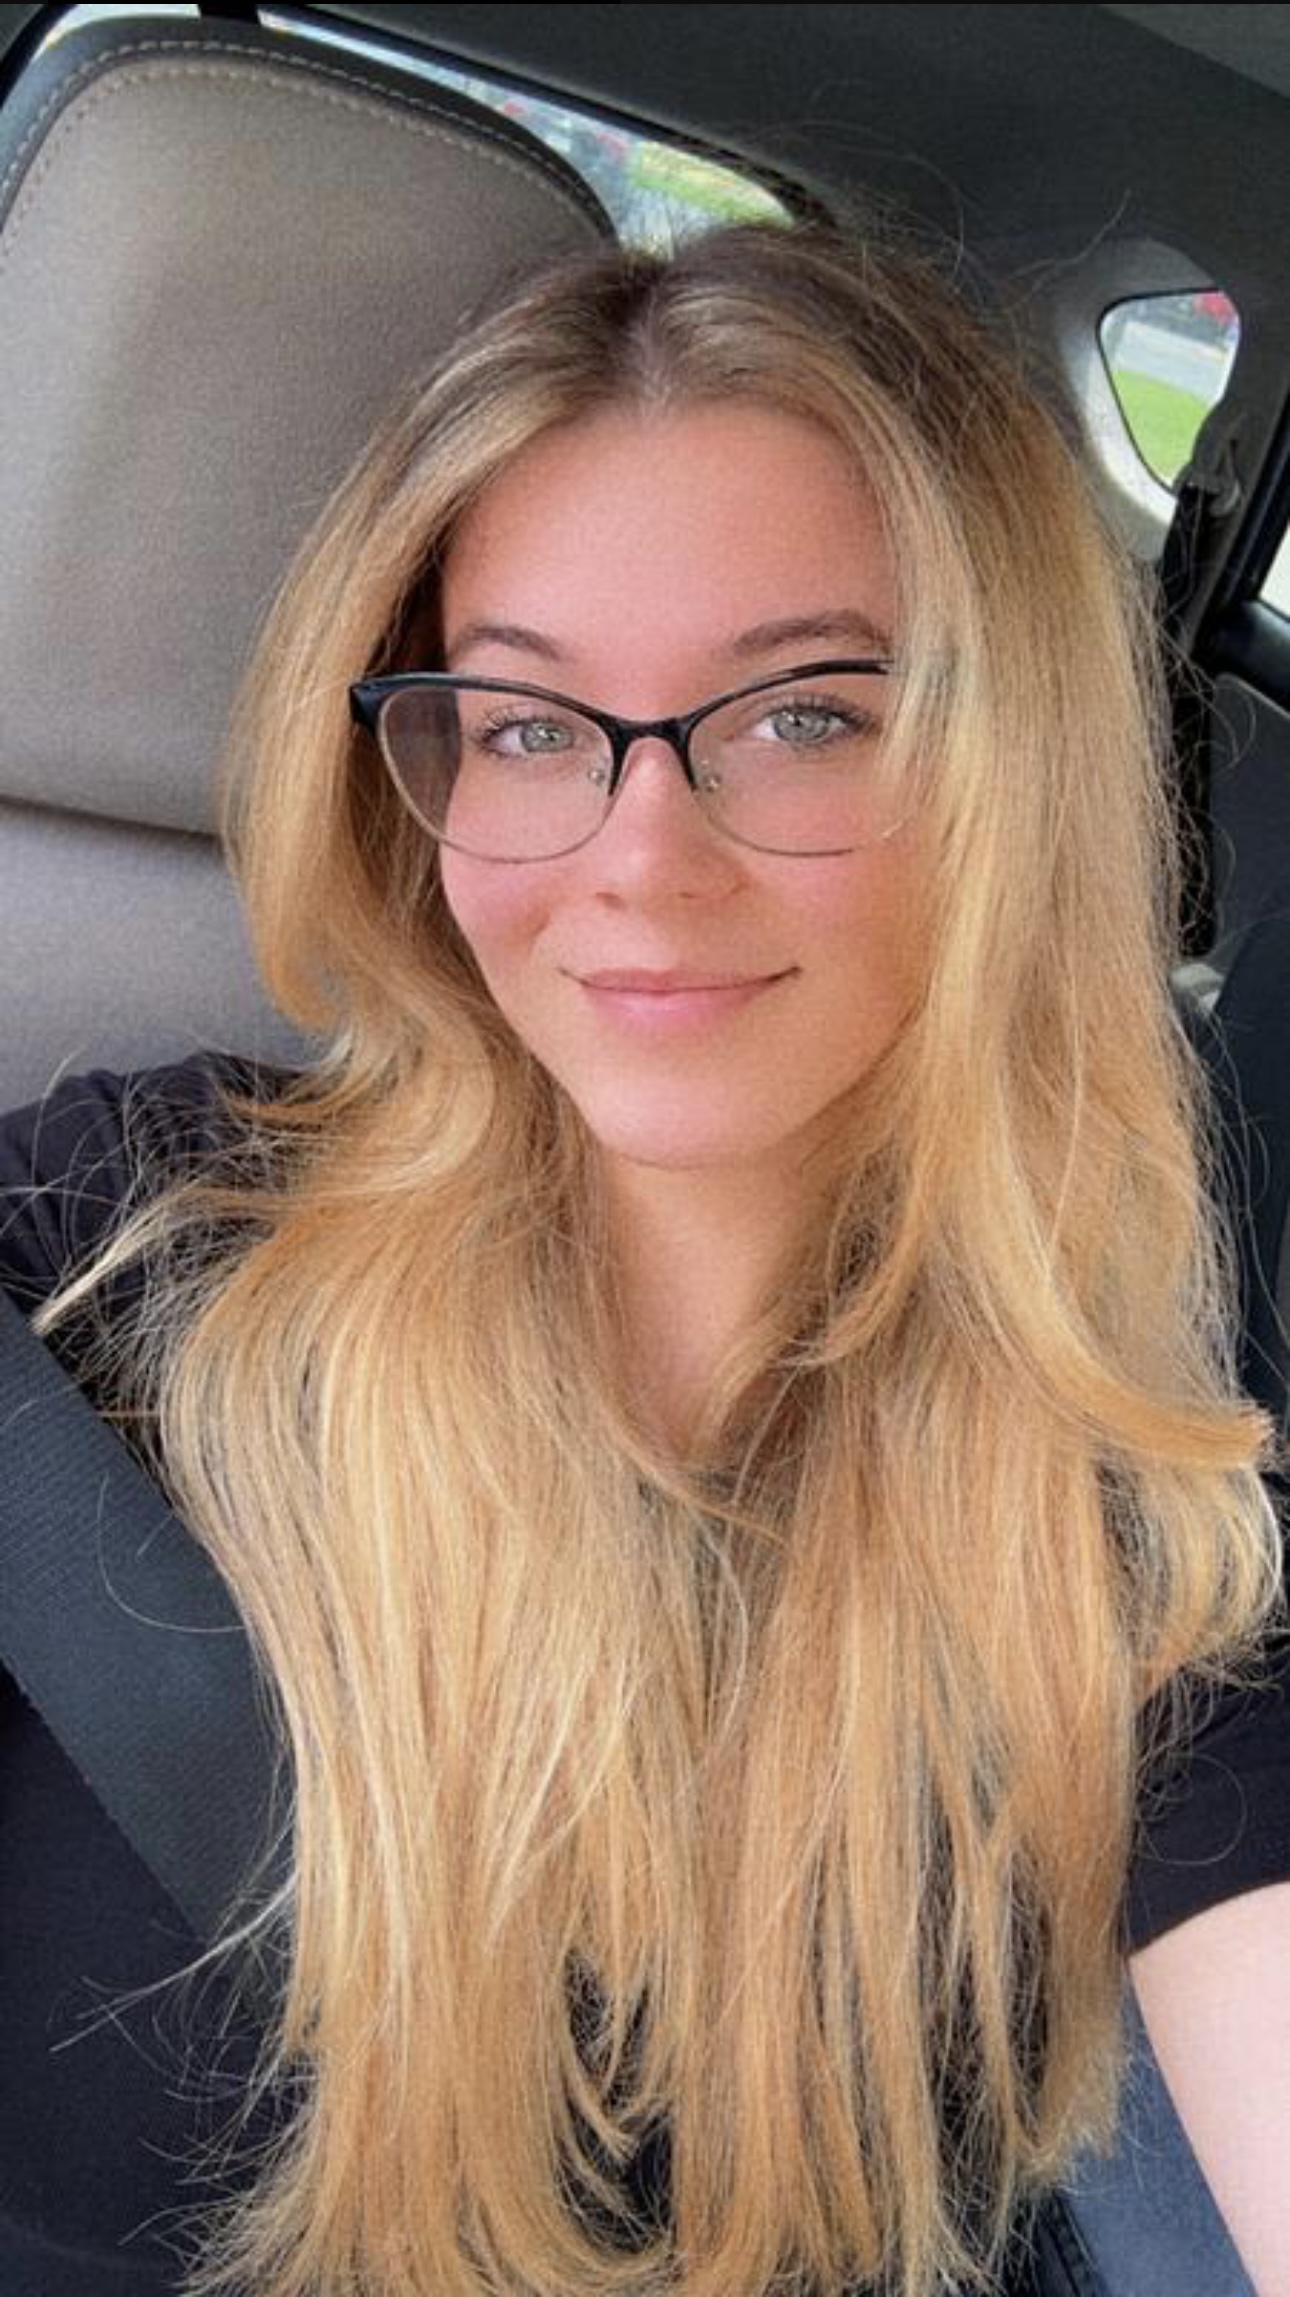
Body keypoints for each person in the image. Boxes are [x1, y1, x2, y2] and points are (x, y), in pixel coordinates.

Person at [0, 219, 1286, 2297]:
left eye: (804, 716)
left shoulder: (1132, 1558)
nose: (639, 862)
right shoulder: (104, 1267)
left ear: (1016, 769)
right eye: (525, 727)